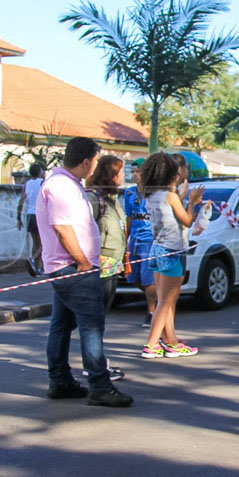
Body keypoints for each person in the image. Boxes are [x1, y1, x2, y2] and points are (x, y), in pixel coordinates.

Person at [35, 137, 132, 407]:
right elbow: (62, 228)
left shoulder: (68, 184)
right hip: (72, 267)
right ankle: (99, 385)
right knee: (91, 326)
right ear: (87, 161)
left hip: (70, 266)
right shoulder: (61, 186)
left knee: (63, 325)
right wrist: (82, 262)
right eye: (94, 161)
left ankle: (60, 380)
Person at [140, 153, 202, 359]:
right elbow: (186, 220)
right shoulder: (171, 196)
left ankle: (171, 341)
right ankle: (151, 344)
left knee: (164, 300)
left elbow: (169, 213)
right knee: (166, 301)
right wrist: (192, 202)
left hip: (157, 249)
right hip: (172, 250)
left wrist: (182, 197)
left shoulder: (151, 195)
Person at [84, 154, 128, 381]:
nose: (124, 175)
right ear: (111, 174)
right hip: (99, 267)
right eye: (120, 171)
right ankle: (94, 366)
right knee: (95, 321)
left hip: (113, 266)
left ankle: (97, 363)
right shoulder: (93, 199)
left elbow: (120, 229)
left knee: (100, 319)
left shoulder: (113, 199)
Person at [124, 158, 157, 328]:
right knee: (132, 277)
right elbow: (129, 217)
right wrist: (125, 239)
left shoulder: (153, 193)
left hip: (149, 239)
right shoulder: (129, 193)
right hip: (135, 239)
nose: (136, 175)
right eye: (134, 172)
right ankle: (156, 298)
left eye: (139, 172)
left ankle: (151, 312)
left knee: (147, 278)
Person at [17, 163, 45, 276]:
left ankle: (37, 268)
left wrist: (18, 218)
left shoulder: (26, 184)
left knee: (36, 243)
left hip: (30, 215)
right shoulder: (43, 183)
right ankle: (33, 260)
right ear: (39, 172)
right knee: (44, 244)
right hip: (41, 215)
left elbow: (21, 202)